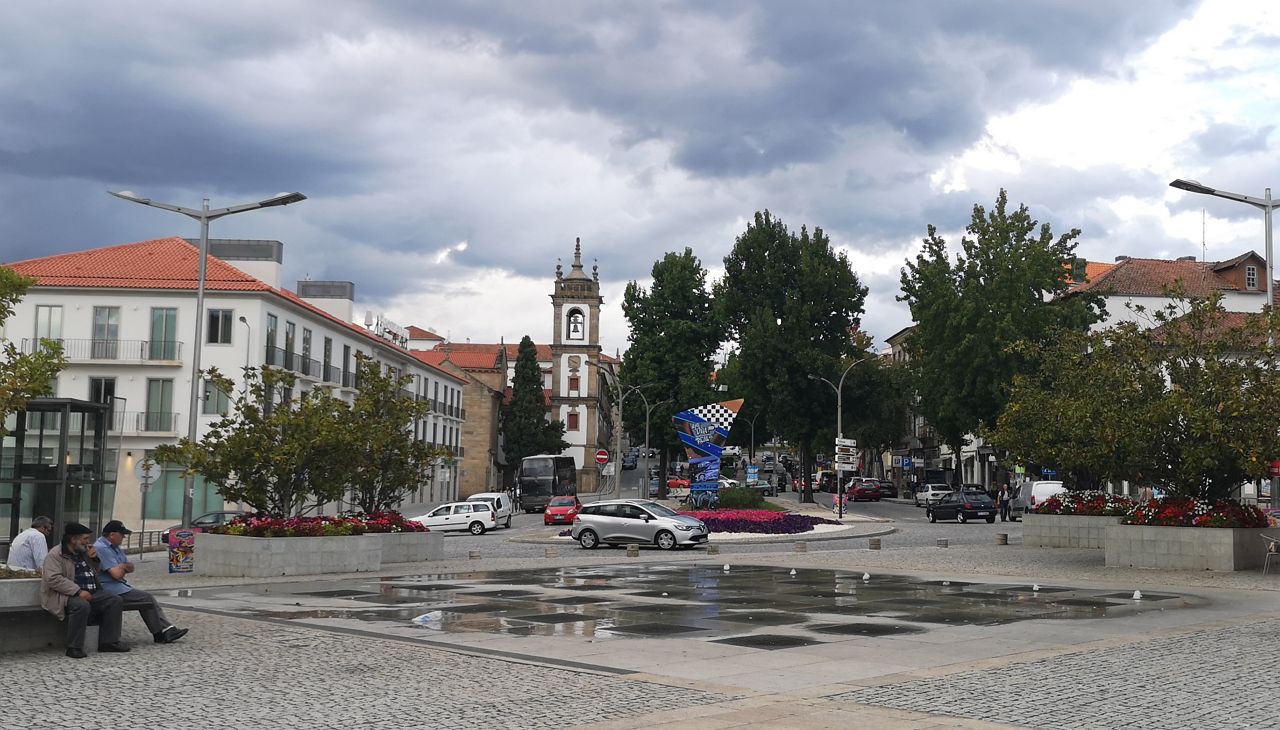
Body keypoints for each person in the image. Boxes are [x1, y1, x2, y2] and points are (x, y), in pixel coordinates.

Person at [40, 522, 128, 659]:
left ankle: (109, 641)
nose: (89, 542)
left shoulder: (83, 552)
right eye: (85, 538)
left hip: (92, 591)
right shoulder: (56, 554)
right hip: (65, 595)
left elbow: (95, 572)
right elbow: (53, 579)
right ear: (73, 539)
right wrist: (78, 591)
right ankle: (74, 647)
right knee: (81, 606)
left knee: (114, 600)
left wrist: (94, 559)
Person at [94, 520, 189, 644]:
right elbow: (117, 574)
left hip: (119, 586)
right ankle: (163, 632)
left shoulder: (115, 548)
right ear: (112, 535)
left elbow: (130, 566)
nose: (124, 537)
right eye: (122, 534)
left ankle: (162, 632)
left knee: (145, 598)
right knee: (146, 598)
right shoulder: (101, 548)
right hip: (109, 589)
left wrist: (122, 567)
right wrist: (123, 567)